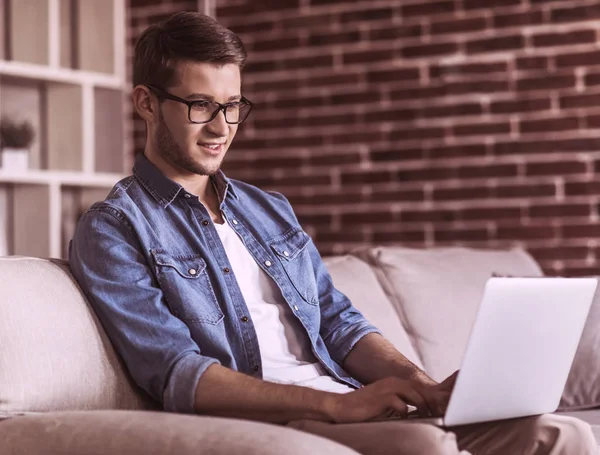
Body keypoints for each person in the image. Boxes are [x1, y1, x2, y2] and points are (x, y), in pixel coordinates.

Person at [69, 11, 596, 455]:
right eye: (200, 105)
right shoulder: (115, 227)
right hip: (283, 421)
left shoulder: (266, 208)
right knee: (429, 448)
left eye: (232, 106)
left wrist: (425, 388)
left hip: (347, 403)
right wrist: (336, 405)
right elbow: (177, 373)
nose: (222, 127)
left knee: (563, 434)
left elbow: (336, 321)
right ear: (145, 102)